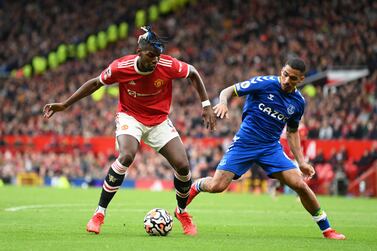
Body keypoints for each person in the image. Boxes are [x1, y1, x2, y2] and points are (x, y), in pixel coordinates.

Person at [43, 26, 216, 236]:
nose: (155, 60)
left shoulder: (167, 64)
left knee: (182, 165)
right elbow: (95, 83)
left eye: (158, 56)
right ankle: (99, 214)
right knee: (126, 155)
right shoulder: (121, 67)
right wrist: (65, 104)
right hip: (130, 117)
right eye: (151, 55)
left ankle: (181, 212)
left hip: (159, 120)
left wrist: (206, 104)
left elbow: (193, 73)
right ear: (139, 52)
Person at [186, 58, 346, 240]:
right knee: (217, 186)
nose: (286, 80)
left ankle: (327, 229)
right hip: (244, 143)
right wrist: (223, 102)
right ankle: (197, 185)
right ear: (282, 70)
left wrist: (301, 162)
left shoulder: (298, 102)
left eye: (293, 78)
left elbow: (292, 132)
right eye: (285, 74)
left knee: (300, 184)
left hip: (270, 148)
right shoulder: (264, 83)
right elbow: (228, 90)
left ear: (301, 80)